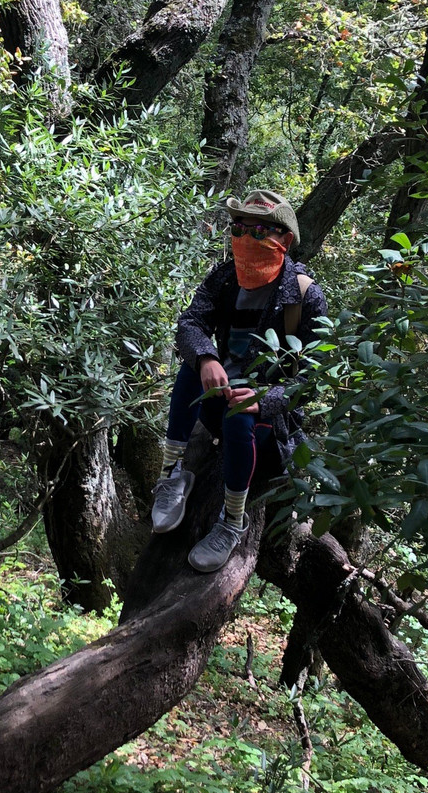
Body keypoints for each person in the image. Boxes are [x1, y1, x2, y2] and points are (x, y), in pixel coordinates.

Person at [150, 190, 327, 573]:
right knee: (190, 368)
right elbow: (190, 323)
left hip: (266, 426)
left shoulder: (304, 295)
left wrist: (267, 397)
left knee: (240, 415)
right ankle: (172, 475)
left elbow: (313, 377)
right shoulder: (225, 277)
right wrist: (207, 357)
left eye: (259, 229)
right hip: (220, 402)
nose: (246, 237)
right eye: (239, 227)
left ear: (285, 239)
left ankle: (232, 521)